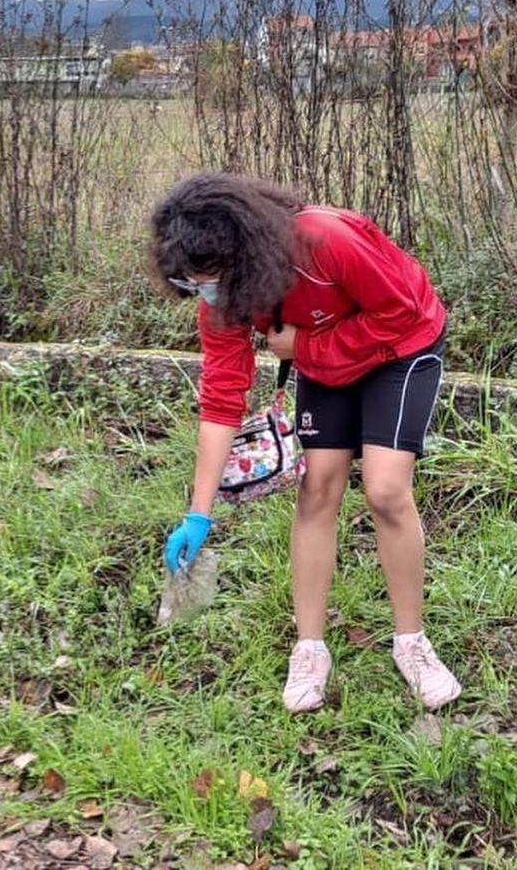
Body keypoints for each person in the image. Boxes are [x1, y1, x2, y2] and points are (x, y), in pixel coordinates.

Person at [151, 173, 461, 713]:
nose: (203, 291)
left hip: (401, 349)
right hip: (324, 356)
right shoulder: (223, 300)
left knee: (386, 491)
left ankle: (412, 643)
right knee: (317, 488)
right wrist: (199, 513)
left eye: (208, 277)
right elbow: (222, 395)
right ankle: (310, 647)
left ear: (243, 251)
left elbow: (401, 312)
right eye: (190, 283)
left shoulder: (323, 240)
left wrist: (308, 343)